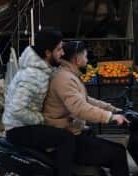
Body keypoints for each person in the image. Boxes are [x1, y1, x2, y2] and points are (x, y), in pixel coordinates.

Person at [43, 41, 130, 176]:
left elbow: (86, 100)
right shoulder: (64, 78)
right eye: (85, 56)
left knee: (113, 149)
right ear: (77, 60)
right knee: (117, 153)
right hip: (69, 135)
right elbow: (80, 108)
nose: (87, 60)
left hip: (75, 131)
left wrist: (113, 110)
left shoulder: (69, 75)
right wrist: (110, 117)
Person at [3, 28, 77, 176]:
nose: (62, 53)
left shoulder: (44, 70)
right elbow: (17, 109)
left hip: (26, 125)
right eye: (59, 49)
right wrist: (41, 119)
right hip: (19, 129)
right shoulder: (32, 76)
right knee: (66, 139)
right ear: (48, 53)